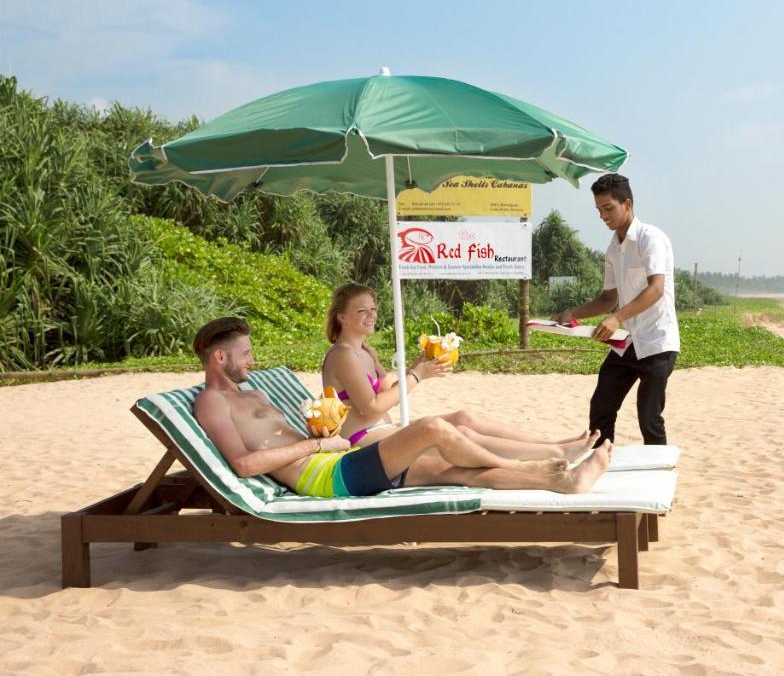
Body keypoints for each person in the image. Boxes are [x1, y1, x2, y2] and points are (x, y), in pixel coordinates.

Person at [191, 317, 611, 498]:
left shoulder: (254, 394)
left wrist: (320, 432)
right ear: (219, 359)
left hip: (337, 461)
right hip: (328, 476)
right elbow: (245, 465)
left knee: (455, 473)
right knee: (433, 429)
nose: (252, 360)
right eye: (244, 354)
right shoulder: (212, 403)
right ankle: (536, 468)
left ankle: (563, 482)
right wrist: (317, 448)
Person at [322, 283, 598, 461]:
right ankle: (555, 453)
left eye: (373, 309)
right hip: (364, 442)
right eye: (361, 311)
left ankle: (553, 442)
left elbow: (387, 389)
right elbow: (370, 407)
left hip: (387, 429)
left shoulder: (366, 351)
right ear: (342, 317)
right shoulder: (343, 355)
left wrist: (419, 364)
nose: (371, 315)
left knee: (463, 418)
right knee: (463, 434)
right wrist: (419, 376)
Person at [556, 173, 680, 445]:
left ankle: (657, 477)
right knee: (601, 406)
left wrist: (617, 318)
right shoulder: (613, 249)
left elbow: (656, 289)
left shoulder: (650, 238)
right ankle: (599, 461)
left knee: (649, 416)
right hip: (629, 343)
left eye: (608, 208)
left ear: (627, 204)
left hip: (658, 342)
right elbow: (607, 299)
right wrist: (571, 314)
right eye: (599, 210)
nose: (603, 216)